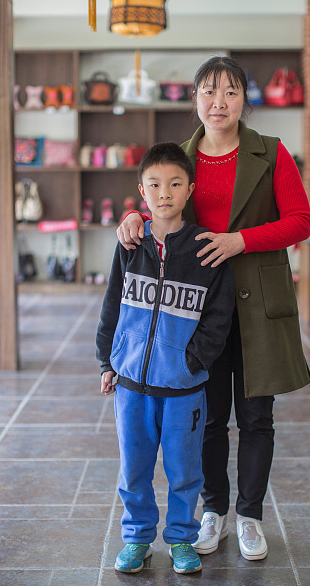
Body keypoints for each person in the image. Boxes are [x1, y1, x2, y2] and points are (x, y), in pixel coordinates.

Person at [116, 55, 310, 561]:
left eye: (229, 91)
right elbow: (158, 200)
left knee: (256, 417)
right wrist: (134, 216)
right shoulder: (179, 155)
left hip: (260, 307)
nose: (218, 102)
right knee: (204, 417)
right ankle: (213, 511)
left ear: (244, 99)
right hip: (199, 311)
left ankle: (249, 517)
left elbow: (300, 222)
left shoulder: (271, 153)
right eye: (209, 91)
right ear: (195, 98)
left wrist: (239, 241)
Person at [96, 143, 235, 575]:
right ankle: (137, 538)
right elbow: (111, 306)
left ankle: (180, 538)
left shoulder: (205, 249)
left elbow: (219, 316)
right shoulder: (130, 243)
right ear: (142, 190)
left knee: (184, 470)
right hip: (132, 386)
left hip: (184, 388)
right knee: (133, 468)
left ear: (190, 189)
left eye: (175, 184)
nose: (165, 192)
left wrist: (192, 360)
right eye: (154, 184)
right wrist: (108, 361)